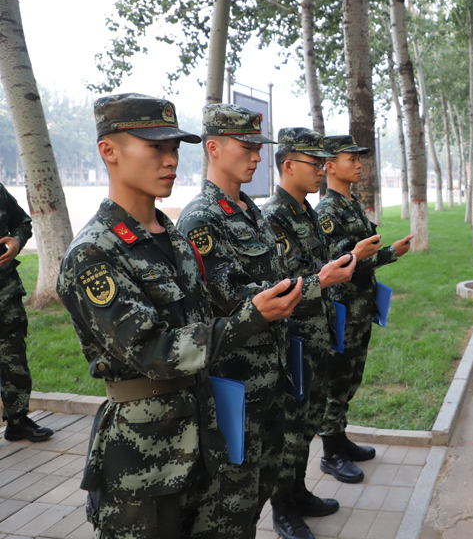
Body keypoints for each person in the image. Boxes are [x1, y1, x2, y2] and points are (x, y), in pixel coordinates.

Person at [56, 93, 303, 538]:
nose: (170, 160)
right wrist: (252, 317)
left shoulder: (171, 238)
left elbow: (199, 320)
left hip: (208, 435)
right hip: (147, 456)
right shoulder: (94, 254)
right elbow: (155, 350)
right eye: (155, 147)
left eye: (174, 148)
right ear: (108, 150)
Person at [177, 103, 306, 539]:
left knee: (259, 490)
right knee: (228, 505)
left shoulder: (250, 210)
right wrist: (312, 285)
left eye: (258, 147)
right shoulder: (202, 218)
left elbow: (277, 281)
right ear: (213, 148)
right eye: (246, 146)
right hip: (236, 388)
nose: (256, 156)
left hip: (271, 378)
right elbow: (233, 296)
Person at [262, 128, 363, 538]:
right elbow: (282, 281)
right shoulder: (275, 216)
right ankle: (282, 508)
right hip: (294, 338)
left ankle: (300, 491)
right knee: (289, 428)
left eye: (324, 163)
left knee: (306, 424)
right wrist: (323, 277)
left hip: (317, 332)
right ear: (288, 165)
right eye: (314, 163)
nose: (322, 170)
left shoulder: (305, 211)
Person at [316, 135, 413, 483]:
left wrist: (387, 253)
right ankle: (329, 453)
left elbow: (361, 255)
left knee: (351, 378)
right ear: (329, 166)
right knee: (336, 380)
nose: (358, 164)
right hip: (342, 312)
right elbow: (343, 264)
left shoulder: (351, 204)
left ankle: (340, 438)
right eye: (350, 159)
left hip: (359, 309)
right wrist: (388, 255)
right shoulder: (327, 212)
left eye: (359, 159)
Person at [1, 183, 53, 442]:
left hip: (4, 294)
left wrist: (16, 241)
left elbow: (22, 222)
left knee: (13, 360)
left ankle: (17, 421)